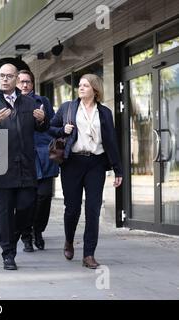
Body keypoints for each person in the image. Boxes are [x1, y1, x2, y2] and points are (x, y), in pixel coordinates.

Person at [0, 63, 48, 270]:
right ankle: (8, 253)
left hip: (25, 166)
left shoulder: (28, 102)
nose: (4, 79)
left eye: (9, 76)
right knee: (5, 213)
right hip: (0, 168)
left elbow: (42, 126)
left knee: (27, 207)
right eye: (1, 76)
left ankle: (12, 237)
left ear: (17, 79)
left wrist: (43, 120)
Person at [50, 74, 122, 269]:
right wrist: (62, 130)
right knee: (72, 209)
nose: (81, 88)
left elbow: (111, 141)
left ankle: (89, 254)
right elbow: (50, 127)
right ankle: (69, 240)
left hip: (96, 163)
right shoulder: (68, 108)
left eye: (85, 86)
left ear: (95, 90)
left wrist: (118, 169)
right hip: (72, 162)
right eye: (80, 85)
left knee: (93, 209)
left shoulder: (105, 112)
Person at [16, 70, 59, 252]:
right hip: (22, 159)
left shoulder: (43, 102)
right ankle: (26, 236)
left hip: (43, 157)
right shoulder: (12, 103)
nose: (25, 85)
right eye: (21, 82)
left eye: (28, 82)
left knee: (44, 196)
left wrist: (44, 119)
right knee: (26, 201)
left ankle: (38, 231)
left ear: (33, 84)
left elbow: (52, 126)